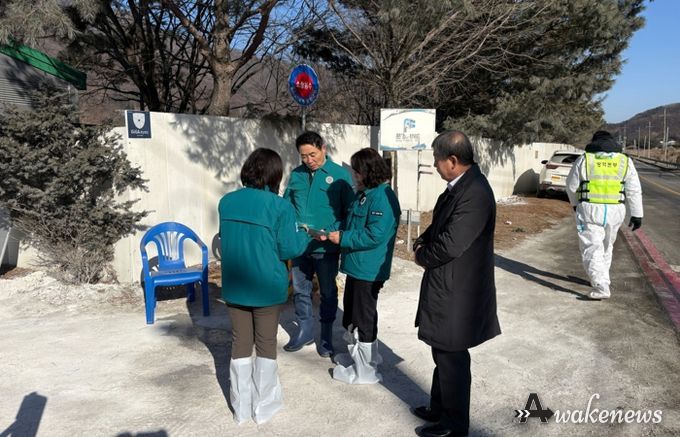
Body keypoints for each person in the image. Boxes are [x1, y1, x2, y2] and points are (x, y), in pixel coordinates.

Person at [412, 131, 501, 437]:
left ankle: (454, 425)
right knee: (443, 352)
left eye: (436, 159)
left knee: (453, 358)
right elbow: (437, 228)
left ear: (452, 160)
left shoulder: (475, 193)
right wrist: (421, 241)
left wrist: (422, 256)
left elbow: (451, 244)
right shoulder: (457, 188)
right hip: (448, 285)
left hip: (459, 291)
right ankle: (439, 408)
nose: (434, 165)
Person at [219, 148, 310, 425]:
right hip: (266, 286)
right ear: (274, 175)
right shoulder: (280, 207)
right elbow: (288, 249)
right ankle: (264, 406)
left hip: (235, 284)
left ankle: (241, 408)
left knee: (240, 342)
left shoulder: (227, 202)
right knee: (266, 343)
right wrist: (304, 235)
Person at [321, 148, 401, 384]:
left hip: (369, 268)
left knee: (363, 317)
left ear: (369, 171)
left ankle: (365, 370)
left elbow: (375, 234)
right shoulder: (364, 194)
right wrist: (330, 232)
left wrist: (343, 238)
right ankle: (364, 357)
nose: (354, 175)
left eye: (357, 171)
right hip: (357, 266)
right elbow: (351, 223)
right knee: (354, 313)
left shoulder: (382, 197)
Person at [283, 131, 354, 357]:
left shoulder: (340, 176)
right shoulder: (296, 175)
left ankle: (325, 336)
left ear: (323, 148)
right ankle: (304, 330)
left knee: (328, 292)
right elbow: (286, 206)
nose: (308, 160)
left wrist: (332, 230)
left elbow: (349, 212)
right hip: (300, 245)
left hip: (326, 247)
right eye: (304, 156)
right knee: (300, 290)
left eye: (312, 154)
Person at [566, 130, 643, 299]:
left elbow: (571, 186)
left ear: (594, 142)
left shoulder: (585, 159)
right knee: (607, 246)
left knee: (592, 247)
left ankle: (600, 285)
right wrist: (637, 214)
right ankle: (602, 279)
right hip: (616, 211)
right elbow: (634, 190)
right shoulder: (624, 161)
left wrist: (575, 205)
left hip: (590, 209)